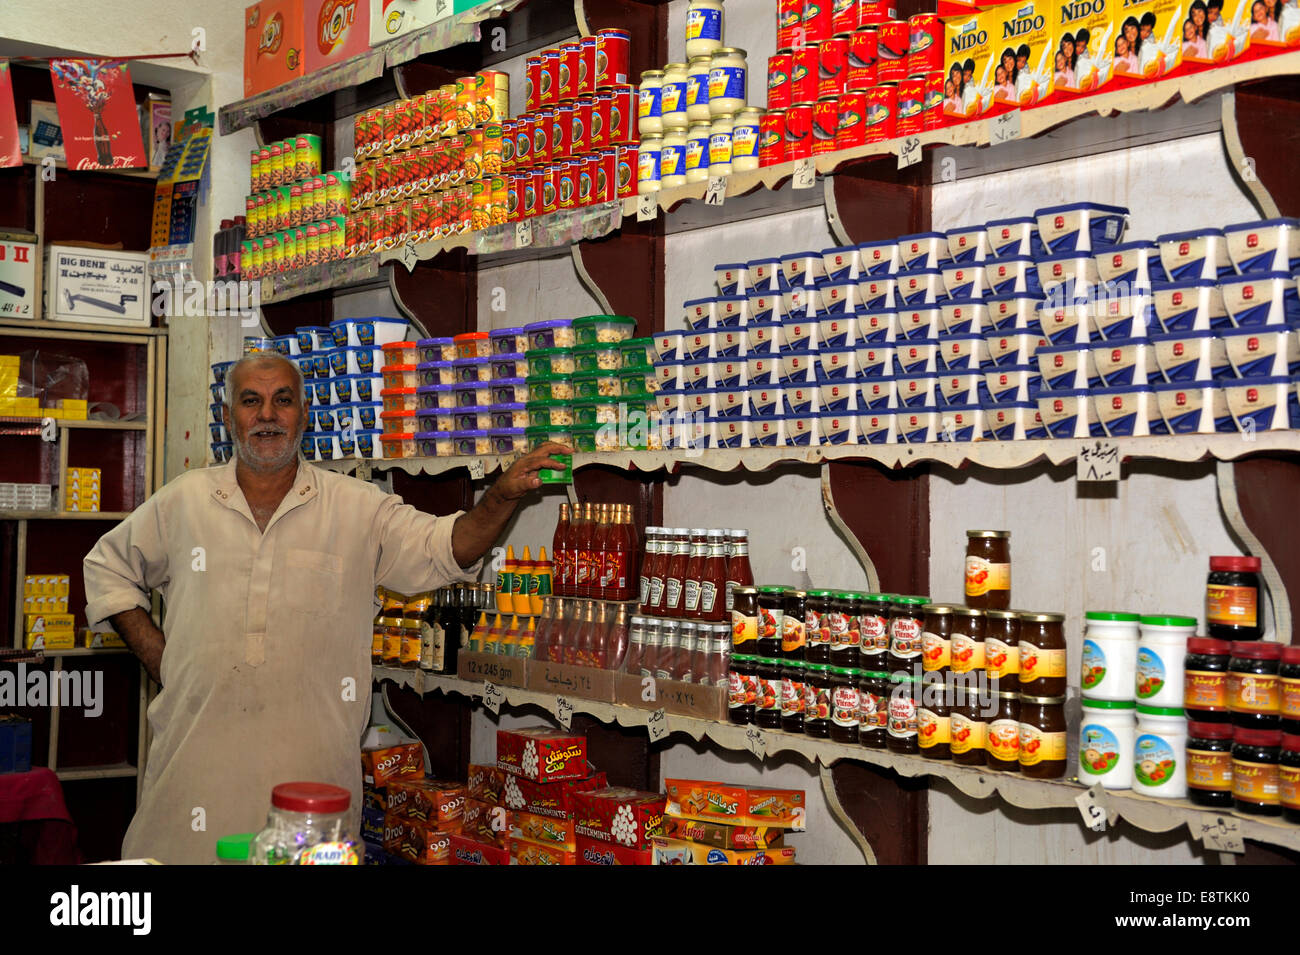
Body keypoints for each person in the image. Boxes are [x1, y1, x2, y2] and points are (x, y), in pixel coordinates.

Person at [83, 351, 571, 863]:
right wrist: (165, 661)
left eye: (283, 400)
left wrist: (501, 497)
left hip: (312, 804)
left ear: (304, 416)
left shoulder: (358, 508)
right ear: (230, 418)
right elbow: (107, 567)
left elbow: (450, 547)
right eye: (251, 401)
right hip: (189, 796)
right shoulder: (183, 502)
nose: (267, 415)